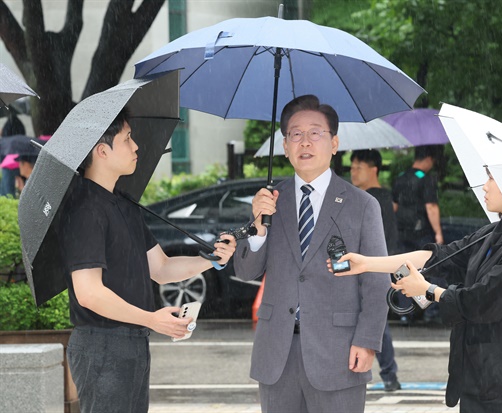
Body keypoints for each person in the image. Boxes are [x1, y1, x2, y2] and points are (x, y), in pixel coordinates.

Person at [331, 167, 502, 413]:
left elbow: (480, 301)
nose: (484, 186)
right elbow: (437, 257)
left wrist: (428, 290)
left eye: (491, 178)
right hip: (480, 375)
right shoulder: (493, 233)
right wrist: (366, 263)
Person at [57, 108, 237, 413]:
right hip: (102, 345)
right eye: (127, 139)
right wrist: (152, 319)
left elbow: (162, 269)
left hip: (132, 342)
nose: (136, 146)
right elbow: (88, 293)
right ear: (102, 151)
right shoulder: (85, 209)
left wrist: (212, 260)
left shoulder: (125, 204)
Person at [233, 95, 390, 413]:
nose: (305, 142)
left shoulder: (361, 205)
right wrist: (258, 229)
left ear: (334, 143)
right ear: (286, 146)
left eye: (315, 133)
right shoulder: (270, 200)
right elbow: (246, 272)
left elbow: (376, 280)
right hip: (277, 352)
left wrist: (368, 340)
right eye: (295, 134)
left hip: (340, 352)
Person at [350, 149, 400, 392]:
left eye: (358, 167)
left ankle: (389, 374)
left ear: (374, 170)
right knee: (377, 320)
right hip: (379, 265)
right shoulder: (386, 197)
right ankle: (389, 374)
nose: (353, 172)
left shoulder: (369, 200)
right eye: (352, 167)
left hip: (372, 267)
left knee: (376, 320)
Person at [392, 145, 444, 252]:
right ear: (429, 159)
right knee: (422, 262)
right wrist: (438, 232)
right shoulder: (426, 179)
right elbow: (431, 207)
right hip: (420, 231)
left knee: (403, 262)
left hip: (401, 230)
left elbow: (394, 206)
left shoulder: (401, 177)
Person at [0, 114, 25, 196]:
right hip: (22, 164)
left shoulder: (5, 141)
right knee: (24, 190)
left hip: (8, 166)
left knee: (7, 194)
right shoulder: (20, 138)